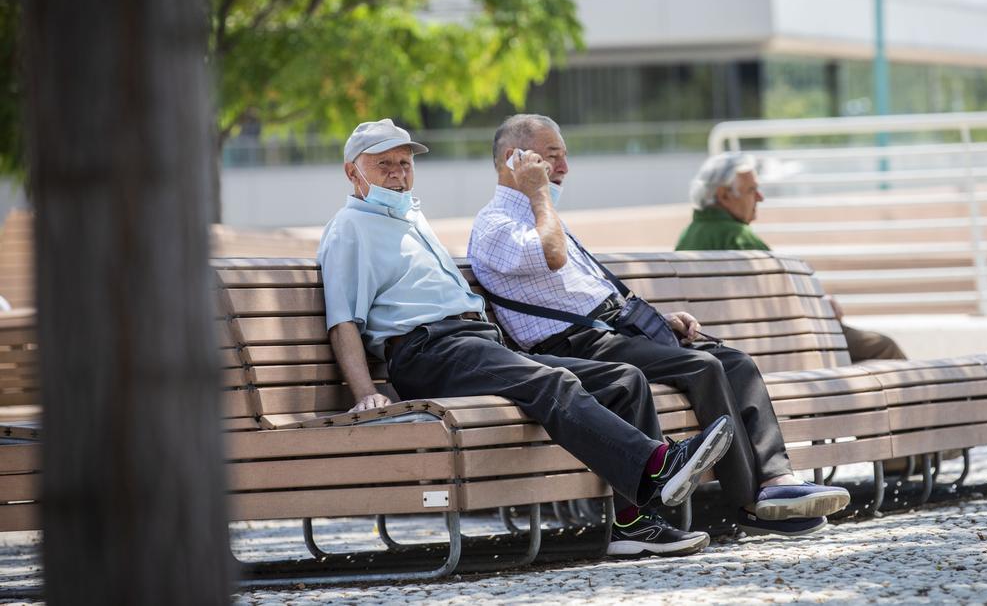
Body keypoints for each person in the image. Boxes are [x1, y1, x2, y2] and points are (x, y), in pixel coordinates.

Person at [319, 118, 735, 558]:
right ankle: (656, 463)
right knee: (552, 383)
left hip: (476, 343)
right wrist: (365, 394)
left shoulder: (410, 217)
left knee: (623, 381)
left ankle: (635, 524)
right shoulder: (350, 228)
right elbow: (343, 321)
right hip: (430, 352)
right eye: (384, 164)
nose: (399, 173)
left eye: (404, 163)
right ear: (352, 171)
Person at [468, 114, 851, 538]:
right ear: (513, 158)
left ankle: (777, 480)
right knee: (702, 367)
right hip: (574, 345)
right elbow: (552, 257)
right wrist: (539, 195)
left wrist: (659, 320)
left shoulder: (543, 216)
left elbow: (585, 289)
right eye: (552, 156)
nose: (563, 167)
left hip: (610, 329)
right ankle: (750, 503)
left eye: (564, 156)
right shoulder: (496, 224)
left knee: (735, 361)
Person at [676, 151, 906, 363]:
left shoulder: (689, 235)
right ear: (724, 195)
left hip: (722, 346)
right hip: (774, 344)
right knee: (884, 347)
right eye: (751, 190)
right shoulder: (738, 238)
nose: (760, 197)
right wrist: (822, 305)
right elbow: (787, 304)